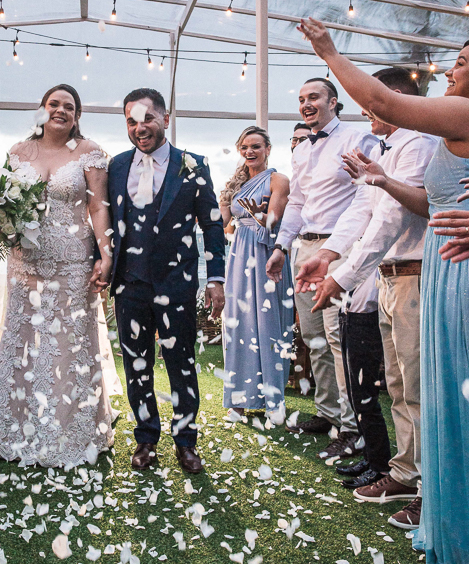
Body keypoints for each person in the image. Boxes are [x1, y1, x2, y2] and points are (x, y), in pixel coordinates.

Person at [300, 17, 469, 564]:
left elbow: (381, 100)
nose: (449, 70)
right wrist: (382, 180)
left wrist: (329, 51)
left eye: (458, 62)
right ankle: (466, 531)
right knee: (453, 399)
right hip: (456, 268)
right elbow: (434, 200)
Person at [298, 68, 437, 525]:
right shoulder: (388, 147)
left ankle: (429, 490)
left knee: (417, 389)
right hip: (388, 277)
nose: (364, 111)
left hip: (415, 277)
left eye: (372, 102)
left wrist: (343, 277)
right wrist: (331, 257)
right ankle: (405, 471)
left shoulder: (418, 143)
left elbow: (392, 219)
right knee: (397, 387)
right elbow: (362, 209)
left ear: (394, 98)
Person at [0, 84, 116, 468]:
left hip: (73, 262)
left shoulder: (90, 152)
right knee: (23, 339)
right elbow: (0, 200)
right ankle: (13, 426)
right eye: (54, 104)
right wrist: (2, 224)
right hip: (26, 262)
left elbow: (99, 209)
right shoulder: (19, 151)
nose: (61, 111)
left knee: (70, 343)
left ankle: (72, 428)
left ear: (77, 115)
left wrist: (106, 254)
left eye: (69, 107)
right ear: (41, 109)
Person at [108, 88, 226, 474]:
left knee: (181, 362)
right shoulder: (117, 166)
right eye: (131, 121)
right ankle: (145, 438)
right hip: (130, 285)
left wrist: (216, 279)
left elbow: (211, 225)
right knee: (135, 364)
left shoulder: (193, 165)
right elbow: (106, 224)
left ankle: (186, 441)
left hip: (177, 283)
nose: (140, 128)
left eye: (147, 119)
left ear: (165, 118)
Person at [266, 78, 377, 459]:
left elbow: (367, 201)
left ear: (334, 101)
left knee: (337, 338)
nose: (306, 104)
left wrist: (333, 251)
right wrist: (282, 246)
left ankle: (351, 426)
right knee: (313, 336)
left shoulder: (357, 139)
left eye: (313, 97)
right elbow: (296, 203)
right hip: (304, 247)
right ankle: (328, 413)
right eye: (300, 99)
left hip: (340, 249)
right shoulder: (301, 150)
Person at [219, 125, 291, 420]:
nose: (250, 152)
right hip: (239, 254)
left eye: (256, 146)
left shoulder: (278, 180)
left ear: (268, 149)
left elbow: (274, 223)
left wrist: (257, 215)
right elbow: (221, 223)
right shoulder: (235, 185)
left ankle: (273, 401)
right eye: (245, 147)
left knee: (267, 322)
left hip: (266, 254)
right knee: (237, 322)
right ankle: (238, 399)